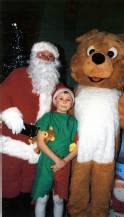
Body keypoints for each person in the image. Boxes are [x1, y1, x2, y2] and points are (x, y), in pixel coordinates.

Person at [0, 41, 61, 198]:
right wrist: (8, 112)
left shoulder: (56, 85)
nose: (46, 59)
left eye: (51, 57)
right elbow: (2, 92)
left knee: (31, 177)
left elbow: (66, 99)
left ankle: (27, 201)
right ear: (34, 57)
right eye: (42, 55)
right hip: (14, 136)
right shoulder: (18, 74)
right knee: (9, 173)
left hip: (38, 141)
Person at [32, 87, 78, 217]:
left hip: (65, 162)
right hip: (46, 160)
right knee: (42, 198)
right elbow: (40, 142)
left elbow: (78, 146)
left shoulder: (74, 122)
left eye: (68, 99)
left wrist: (64, 161)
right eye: (61, 99)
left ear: (72, 103)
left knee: (58, 199)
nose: (64, 102)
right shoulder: (48, 117)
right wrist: (58, 160)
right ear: (55, 101)